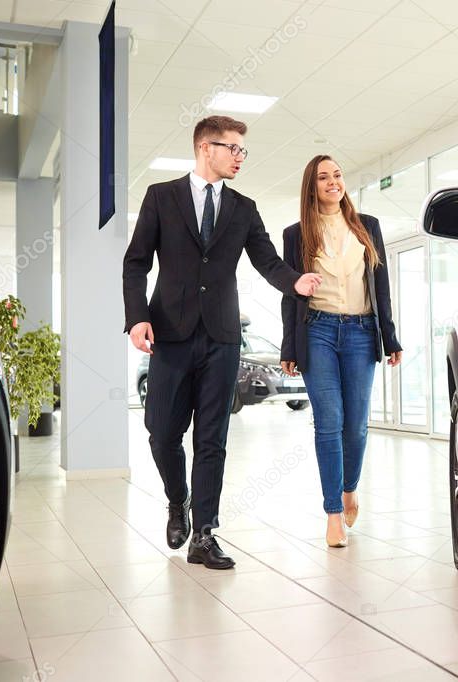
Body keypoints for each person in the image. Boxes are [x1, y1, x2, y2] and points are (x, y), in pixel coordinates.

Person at [123, 116, 322, 569]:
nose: (239, 157)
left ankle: (204, 534)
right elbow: (135, 264)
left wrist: (297, 283)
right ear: (204, 148)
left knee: (212, 438)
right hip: (170, 335)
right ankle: (179, 501)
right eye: (231, 148)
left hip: (222, 338)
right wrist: (137, 318)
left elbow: (268, 261)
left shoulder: (244, 208)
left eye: (241, 150)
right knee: (162, 433)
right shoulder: (161, 197)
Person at [280, 155, 402, 548]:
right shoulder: (296, 234)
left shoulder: (368, 226)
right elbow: (290, 294)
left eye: (337, 175)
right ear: (311, 186)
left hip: (362, 332)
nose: (333, 182)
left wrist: (390, 335)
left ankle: (350, 488)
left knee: (357, 425)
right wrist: (289, 346)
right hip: (317, 331)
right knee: (329, 422)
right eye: (323, 177)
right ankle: (333, 513)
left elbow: (380, 285)